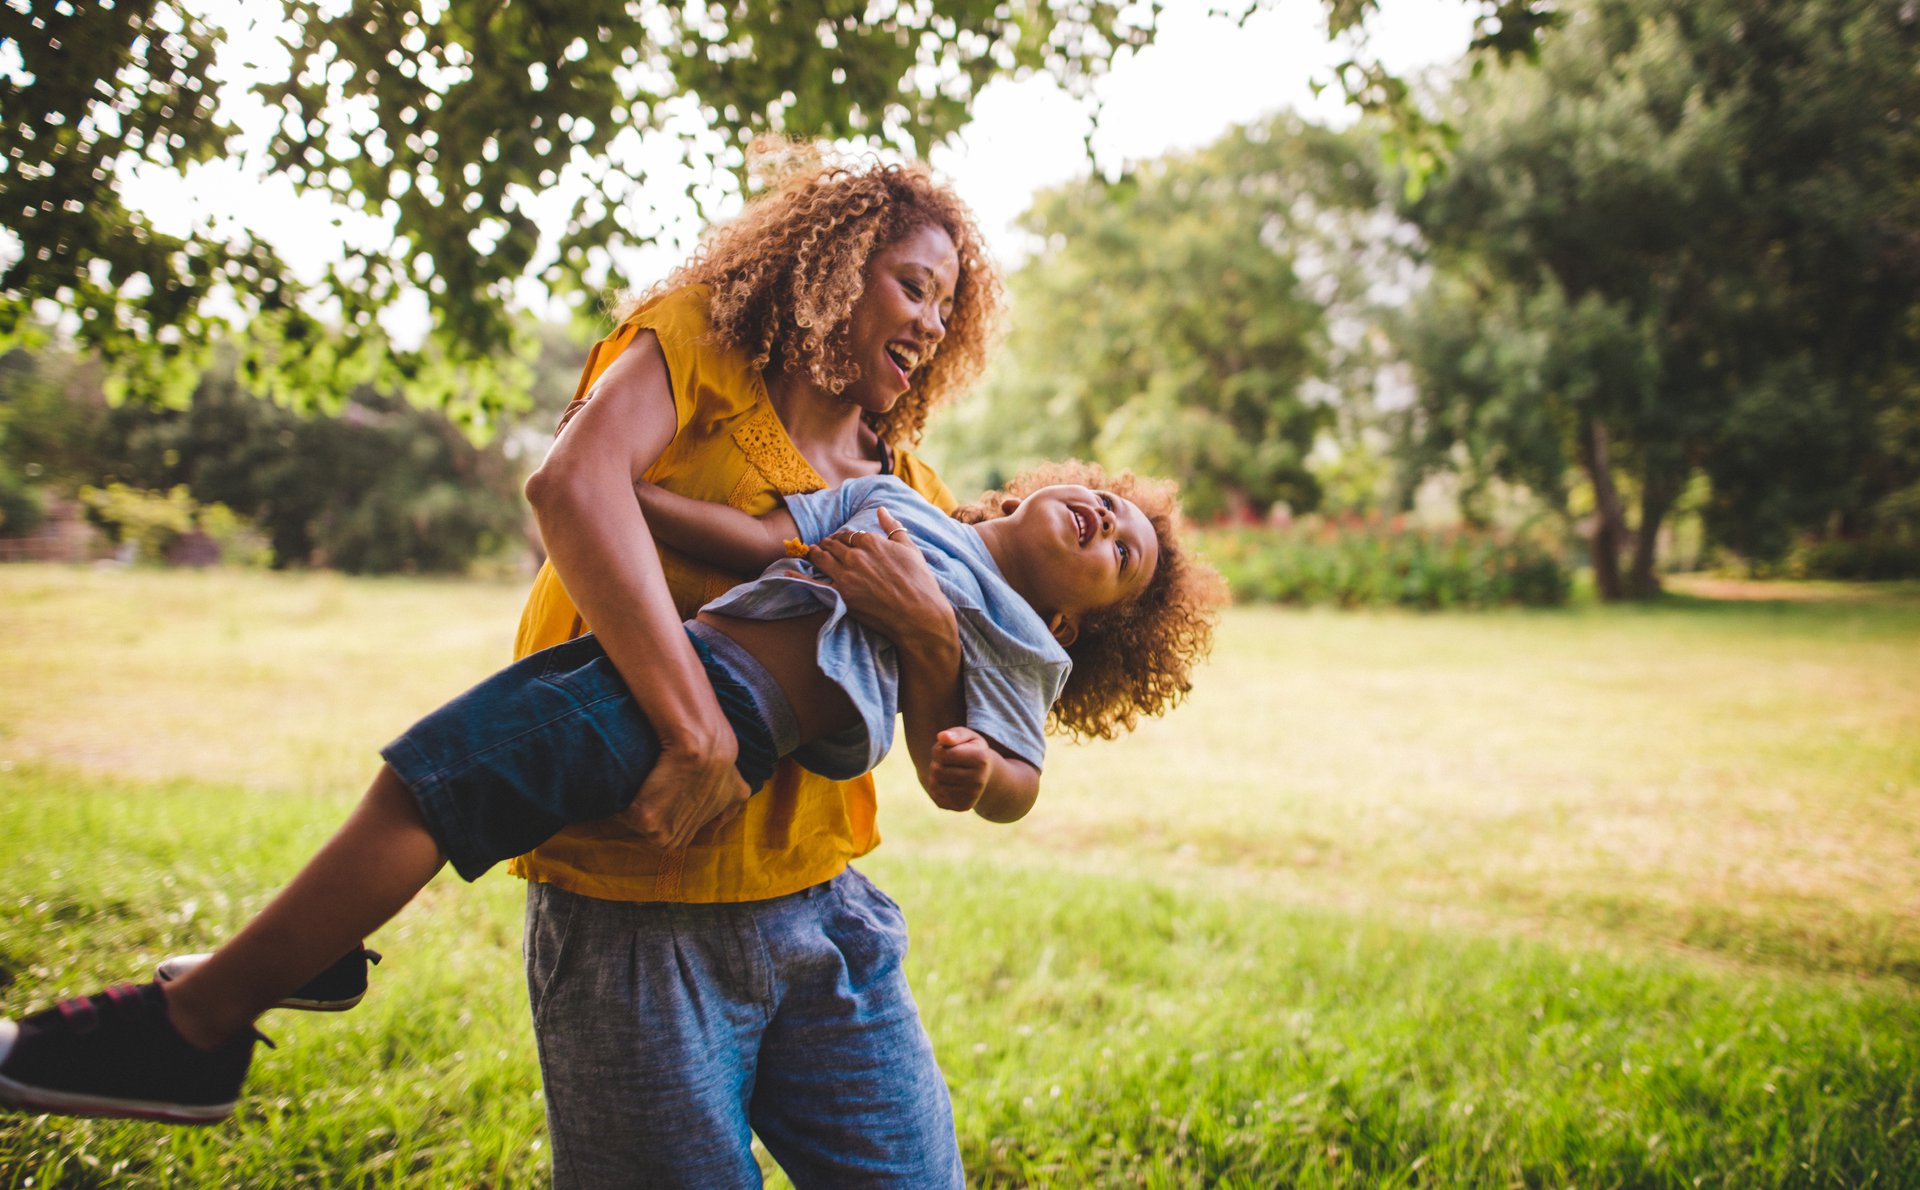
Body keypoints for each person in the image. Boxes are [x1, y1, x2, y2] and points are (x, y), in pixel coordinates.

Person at [0, 461, 1224, 1131]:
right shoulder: (893, 498)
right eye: (1112, 504)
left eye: (1124, 555)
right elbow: (758, 542)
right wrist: (624, 493)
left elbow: (1006, 773)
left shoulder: (1023, 642)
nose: (1112, 521)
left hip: (717, 712)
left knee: (435, 782)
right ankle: (292, 956)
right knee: (449, 775)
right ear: (1029, 491)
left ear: (1076, 617)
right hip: (665, 661)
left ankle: (202, 1026)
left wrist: (979, 771)